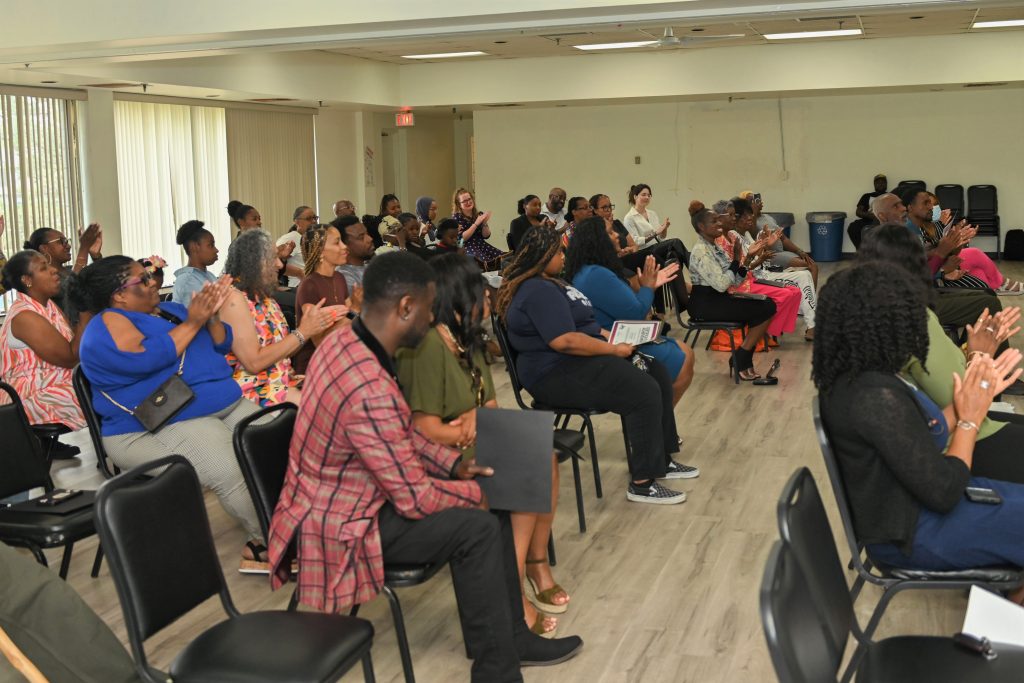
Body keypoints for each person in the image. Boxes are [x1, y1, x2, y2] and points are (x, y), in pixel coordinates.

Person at [267, 251, 583, 681]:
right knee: (481, 522)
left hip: (350, 493)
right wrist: (476, 491)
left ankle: (510, 638)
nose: (434, 319)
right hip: (342, 519)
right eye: (430, 309)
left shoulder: (348, 340)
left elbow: (401, 433)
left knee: (496, 496)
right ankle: (499, 669)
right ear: (404, 308)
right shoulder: (366, 381)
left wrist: (454, 467)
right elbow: (412, 497)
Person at [814, 261, 1024, 575]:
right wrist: (969, 420)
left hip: (908, 511)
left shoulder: (856, 379)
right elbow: (946, 490)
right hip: (911, 534)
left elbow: (929, 433)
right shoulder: (873, 396)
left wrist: (971, 391)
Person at [396, 253, 567, 637]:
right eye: (480, 289)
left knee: (543, 453)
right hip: (441, 456)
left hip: (471, 439)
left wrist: (481, 420)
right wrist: (466, 430)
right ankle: (516, 585)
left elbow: (488, 404)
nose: (488, 296)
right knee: (526, 465)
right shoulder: (423, 347)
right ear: (457, 294)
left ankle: (530, 565)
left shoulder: (466, 339)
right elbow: (420, 429)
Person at [71, 256, 267, 571]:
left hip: (215, 406)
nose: (153, 279)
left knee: (274, 443)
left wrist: (211, 316)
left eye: (149, 274)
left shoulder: (170, 310)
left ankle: (302, 523)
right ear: (118, 295)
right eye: (142, 278)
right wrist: (193, 322)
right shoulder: (106, 324)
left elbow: (220, 344)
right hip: (148, 425)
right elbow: (141, 360)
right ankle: (270, 543)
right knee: (231, 466)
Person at [496, 226, 696, 504]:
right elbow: (564, 341)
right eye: (558, 251)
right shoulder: (536, 291)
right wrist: (613, 349)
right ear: (545, 256)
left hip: (576, 361)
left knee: (656, 372)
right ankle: (642, 483)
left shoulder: (554, 283)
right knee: (643, 390)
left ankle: (661, 460)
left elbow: (586, 325)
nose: (564, 256)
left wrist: (613, 338)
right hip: (554, 372)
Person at [859, 223, 1024, 483]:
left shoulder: (878, 313)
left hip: (937, 429)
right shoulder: (915, 321)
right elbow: (959, 398)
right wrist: (980, 356)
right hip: (958, 441)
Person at [566, 217, 695, 405]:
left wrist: (647, 286)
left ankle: (662, 423)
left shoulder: (591, 270)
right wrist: (648, 287)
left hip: (622, 336)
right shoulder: (596, 274)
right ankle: (660, 423)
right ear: (598, 241)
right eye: (610, 232)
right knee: (684, 358)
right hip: (614, 345)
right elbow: (636, 313)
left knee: (686, 353)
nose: (617, 235)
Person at [220, 229, 333, 406]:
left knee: (338, 390)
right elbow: (254, 362)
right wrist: (303, 332)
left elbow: (283, 350)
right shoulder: (233, 299)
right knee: (321, 407)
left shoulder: (266, 299)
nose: (280, 265)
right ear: (253, 262)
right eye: (273, 257)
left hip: (281, 381)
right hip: (254, 390)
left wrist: (309, 328)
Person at [872, 193, 1007, 331]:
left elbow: (923, 258)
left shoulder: (901, 234)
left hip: (924, 293)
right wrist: (942, 259)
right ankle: (984, 351)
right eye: (896, 206)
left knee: (987, 293)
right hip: (909, 304)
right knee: (990, 304)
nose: (902, 208)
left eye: (901, 204)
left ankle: (972, 347)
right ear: (882, 216)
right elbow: (914, 278)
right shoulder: (884, 239)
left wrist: (953, 243)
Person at [0, 251, 87, 457]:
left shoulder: (48, 306)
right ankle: (120, 445)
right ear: (27, 280)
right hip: (26, 397)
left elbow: (74, 343)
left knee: (106, 380)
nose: (54, 270)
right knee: (101, 388)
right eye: (44, 268)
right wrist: (85, 311)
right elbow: (69, 357)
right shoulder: (25, 316)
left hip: (51, 384)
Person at [686, 201, 777, 381]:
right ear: (701, 227)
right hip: (705, 305)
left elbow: (734, 280)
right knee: (765, 308)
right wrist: (736, 261)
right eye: (714, 221)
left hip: (718, 298)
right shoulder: (701, 251)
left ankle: (741, 356)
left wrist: (747, 257)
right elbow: (721, 284)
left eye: (719, 220)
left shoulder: (714, 246)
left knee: (766, 304)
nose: (720, 224)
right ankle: (741, 358)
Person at [902, 187, 1023, 294]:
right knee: (975, 256)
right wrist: (943, 272)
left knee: (980, 275)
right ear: (910, 208)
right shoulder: (907, 232)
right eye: (926, 203)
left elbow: (946, 253)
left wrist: (959, 240)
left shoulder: (925, 225)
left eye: (934, 204)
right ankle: (1002, 283)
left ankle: (997, 286)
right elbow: (919, 267)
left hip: (944, 268)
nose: (932, 208)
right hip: (935, 278)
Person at [731, 197, 817, 341]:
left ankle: (812, 324)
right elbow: (745, 267)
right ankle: (811, 324)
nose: (751, 217)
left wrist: (766, 244)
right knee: (802, 279)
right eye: (747, 215)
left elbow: (755, 254)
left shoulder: (745, 234)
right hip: (757, 278)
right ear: (737, 218)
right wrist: (762, 255)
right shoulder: (734, 237)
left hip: (764, 273)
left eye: (751, 214)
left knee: (805, 275)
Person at [293, 223, 351, 374]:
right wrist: (355, 308)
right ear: (320, 252)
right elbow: (320, 341)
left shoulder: (339, 278)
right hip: (315, 366)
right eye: (337, 242)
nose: (344, 246)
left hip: (338, 358)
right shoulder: (309, 286)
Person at [742, 191, 818, 286]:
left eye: (758, 199)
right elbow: (753, 234)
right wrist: (754, 211)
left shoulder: (767, 217)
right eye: (752, 201)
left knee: (810, 265)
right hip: (769, 256)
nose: (758, 202)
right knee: (812, 267)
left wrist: (799, 251)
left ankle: (808, 296)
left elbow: (783, 238)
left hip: (781, 253)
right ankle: (812, 299)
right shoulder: (749, 221)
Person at [452, 187, 504, 268]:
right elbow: (460, 240)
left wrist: (484, 223)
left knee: (502, 258)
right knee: (483, 263)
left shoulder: (478, 214)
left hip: (482, 245)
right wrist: (476, 223)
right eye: (464, 201)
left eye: (469, 199)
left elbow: (486, 236)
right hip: (466, 248)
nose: (468, 202)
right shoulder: (457, 217)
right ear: (459, 204)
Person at [173, 219, 219, 306]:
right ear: (194, 247)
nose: (216, 250)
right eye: (211, 245)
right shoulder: (187, 280)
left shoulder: (209, 275)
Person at [277, 205, 318, 288]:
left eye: (315, 218)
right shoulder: (292, 237)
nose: (314, 221)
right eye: (309, 218)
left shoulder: (314, 239)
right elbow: (271, 260)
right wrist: (299, 273)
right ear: (297, 222)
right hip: (300, 285)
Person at [334, 214, 375, 291]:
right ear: (344, 245)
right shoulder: (343, 277)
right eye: (361, 237)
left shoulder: (372, 267)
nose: (370, 239)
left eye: (367, 234)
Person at [847, 173, 888, 249]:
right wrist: (870, 215)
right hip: (868, 219)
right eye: (878, 183)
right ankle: (861, 251)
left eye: (883, 182)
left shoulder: (891, 195)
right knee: (853, 227)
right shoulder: (867, 196)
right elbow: (858, 212)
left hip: (885, 220)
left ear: (886, 184)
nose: (881, 184)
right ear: (874, 184)